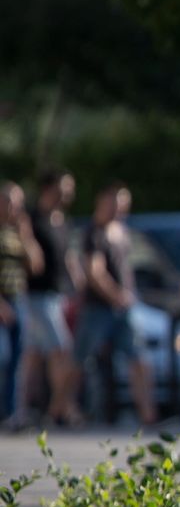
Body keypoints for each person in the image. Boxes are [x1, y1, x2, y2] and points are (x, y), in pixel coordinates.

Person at [77, 182, 158, 426]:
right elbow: (94, 273)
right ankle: (62, 406)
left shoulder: (121, 231)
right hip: (99, 308)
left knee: (139, 359)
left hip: (125, 307)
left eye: (123, 204)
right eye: (114, 203)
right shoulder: (94, 232)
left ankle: (147, 414)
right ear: (102, 203)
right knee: (78, 359)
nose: (118, 209)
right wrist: (116, 295)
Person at [12, 169, 83, 429]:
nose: (69, 193)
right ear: (49, 188)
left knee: (32, 357)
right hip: (35, 296)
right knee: (60, 348)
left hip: (58, 296)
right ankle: (60, 409)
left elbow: (68, 257)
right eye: (65, 187)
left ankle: (24, 410)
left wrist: (78, 286)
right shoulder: (31, 218)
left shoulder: (62, 221)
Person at [0, 181, 43, 422]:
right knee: (2, 356)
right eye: (9, 202)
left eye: (18, 203)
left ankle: (12, 412)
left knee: (17, 359)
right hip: (2, 300)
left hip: (17, 298)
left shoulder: (18, 231)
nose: (14, 208)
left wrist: (26, 235)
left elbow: (35, 265)